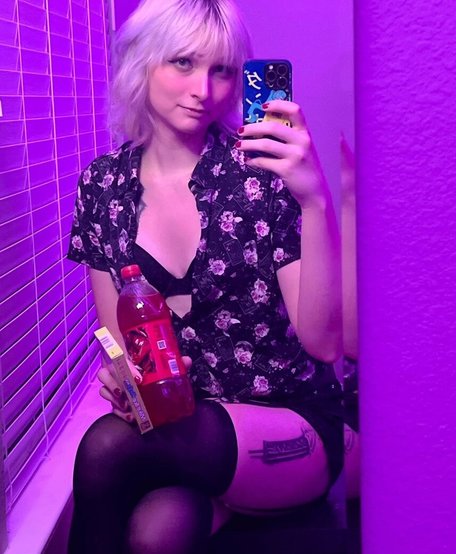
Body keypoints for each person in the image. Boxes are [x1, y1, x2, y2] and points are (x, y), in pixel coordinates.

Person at [67, 0, 343, 552]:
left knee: (105, 448)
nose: (205, 90)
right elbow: (118, 342)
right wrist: (127, 385)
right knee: (154, 534)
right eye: (184, 63)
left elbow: (324, 343)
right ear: (142, 62)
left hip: (286, 425)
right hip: (182, 431)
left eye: (221, 69)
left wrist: (315, 200)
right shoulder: (102, 186)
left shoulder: (261, 172)